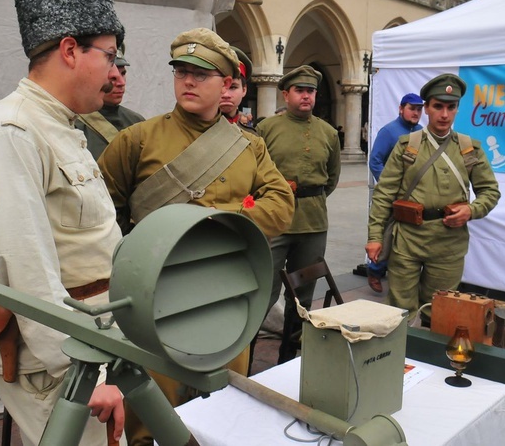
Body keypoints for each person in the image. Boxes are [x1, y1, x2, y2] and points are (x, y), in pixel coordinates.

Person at [98, 27, 294, 445]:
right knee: (151, 416)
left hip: (227, 295)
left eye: (201, 74)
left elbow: (281, 204)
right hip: (156, 298)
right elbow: (102, 217)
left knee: (224, 404)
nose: (188, 81)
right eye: (181, 71)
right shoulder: (136, 140)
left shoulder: (249, 146)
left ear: (226, 83)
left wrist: (210, 225)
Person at [0, 0, 126, 445]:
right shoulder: (11, 131)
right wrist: (90, 377)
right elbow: (26, 274)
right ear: (71, 50)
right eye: (110, 55)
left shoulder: (57, 124)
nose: (115, 73)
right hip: (62, 365)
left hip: (94, 339)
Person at [365, 73, 501, 321]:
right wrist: (375, 237)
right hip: (407, 239)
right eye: (438, 106)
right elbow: (383, 194)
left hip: (448, 243)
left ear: (458, 109)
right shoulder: (408, 145)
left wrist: (472, 210)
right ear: (426, 108)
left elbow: (490, 191)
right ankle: (397, 358)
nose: (444, 114)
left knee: (439, 309)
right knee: (399, 309)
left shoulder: (469, 148)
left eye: (451, 107)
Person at [256, 65, 342, 364]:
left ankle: (288, 359)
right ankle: (245, 356)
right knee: (263, 291)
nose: (306, 96)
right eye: (300, 90)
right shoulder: (267, 129)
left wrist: (308, 197)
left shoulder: (328, 133)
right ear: (286, 93)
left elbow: (331, 178)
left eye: (311, 91)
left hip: (313, 222)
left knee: (303, 297)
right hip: (274, 223)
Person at [365, 92, 424, 292]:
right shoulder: (389, 131)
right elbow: (375, 161)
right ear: (401, 109)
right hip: (392, 197)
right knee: (387, 235)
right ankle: (375, 271)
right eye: (411, 108)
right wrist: (389, 186)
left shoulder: (422, 132)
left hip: (413, 198)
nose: (416, 113)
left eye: (419, 109)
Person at [76, 44, 145, 160]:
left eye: (123, 73)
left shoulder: (137, 122)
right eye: (111, 75)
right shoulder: (74, 124)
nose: (121, 82)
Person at [219, 46, 257, 134]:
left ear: (244, 90)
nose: (226, 95)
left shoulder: (253, 137)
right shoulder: (194, 131)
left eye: (233, 87)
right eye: (221, 86)